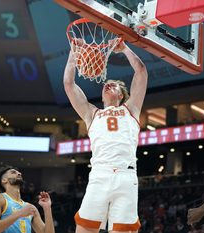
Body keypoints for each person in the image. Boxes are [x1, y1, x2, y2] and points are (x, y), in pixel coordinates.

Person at [64, 39, 148, 233]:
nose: (108, 86)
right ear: (101, 97)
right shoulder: (91, 113)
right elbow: (69, 84)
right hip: (99, 174)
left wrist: (125, 49)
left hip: (126, 175)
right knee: (84, 229)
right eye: (106, 85)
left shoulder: (132, 109)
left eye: (114, 86)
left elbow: (141, 71)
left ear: (122, 95)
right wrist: (73, 53)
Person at [0, 165, 55, 233]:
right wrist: (19, 214)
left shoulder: (30, 208)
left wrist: (47, 208)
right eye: (13, 172)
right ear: (4, 180)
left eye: (19, 172)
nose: (19, 173)